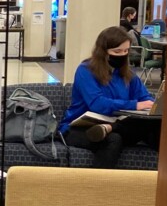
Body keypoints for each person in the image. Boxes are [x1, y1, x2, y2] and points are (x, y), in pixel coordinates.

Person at [59, 25, 159, 169]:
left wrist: (152, 104)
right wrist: (134, 105)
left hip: (116, 123)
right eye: (117, 51)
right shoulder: (86, 71)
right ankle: (96, 188)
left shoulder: (127, 73)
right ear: (103, 51)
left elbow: (145, 98)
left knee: (155, 127)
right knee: (113, 140)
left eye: (126, 51)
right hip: (79, 128)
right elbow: (97, 104)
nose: (122, 55)